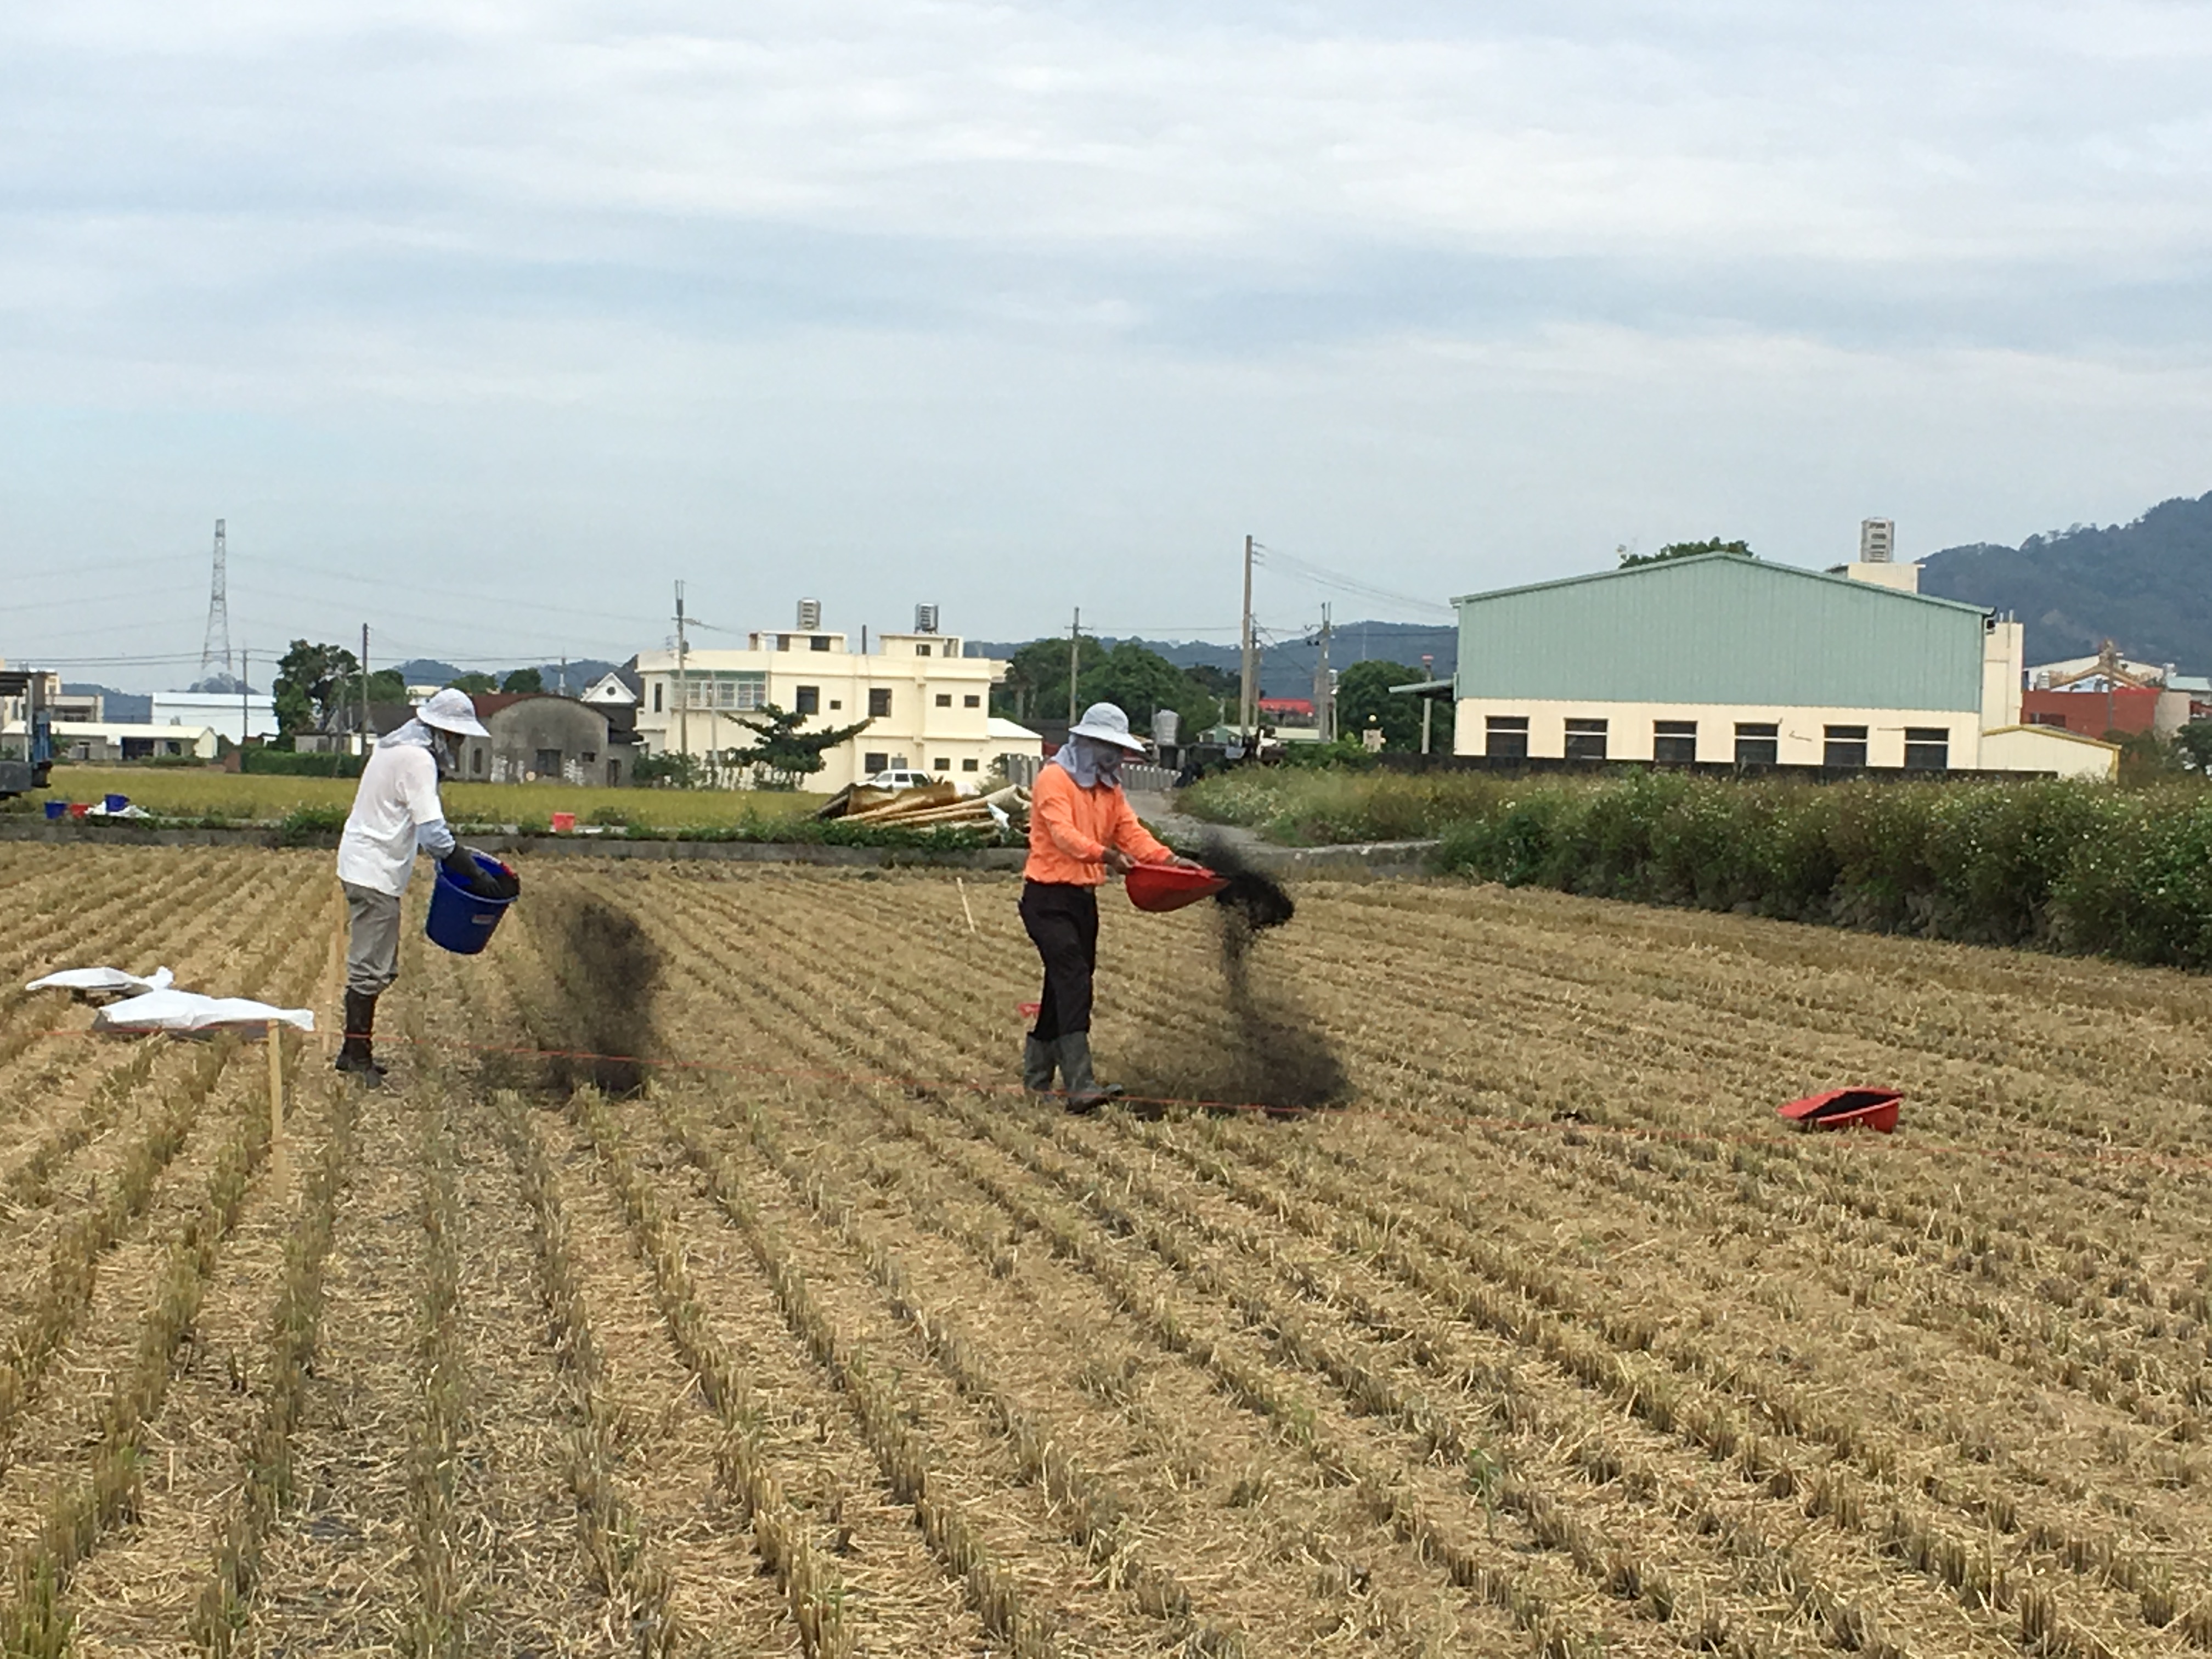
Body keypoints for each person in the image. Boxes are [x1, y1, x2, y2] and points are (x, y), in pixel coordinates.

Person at [1021, 702, 1198, 1111]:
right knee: (1073, 977)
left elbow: (1131, 833)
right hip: (1046, 898)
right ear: (1085, 742)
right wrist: (1107, 856)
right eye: (1107, 747)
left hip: (1084, 899)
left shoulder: (1109, 790)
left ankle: (1037, 1080)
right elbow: (1063, 835)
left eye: (1117, 749)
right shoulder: (1054, 779)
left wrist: (1169, 861)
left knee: (1064, 984)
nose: (1114, 757)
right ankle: (1080, 1083)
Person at [334, 687, 503, 1084]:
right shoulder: (417, 759)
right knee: (370, 967)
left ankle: (354, 1051)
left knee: (376, 963)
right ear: (442, 732)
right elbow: (434, 836)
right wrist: (476, 875)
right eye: (458, 737)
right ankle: (355, 1055)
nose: (460, 745)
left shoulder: (393, 747)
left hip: (365, 863)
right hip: (373, 869)